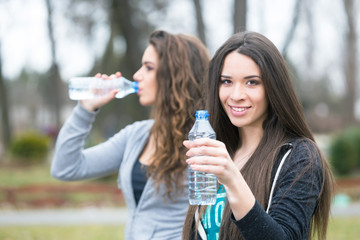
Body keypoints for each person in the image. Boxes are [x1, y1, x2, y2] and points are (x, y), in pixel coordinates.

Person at [51, 30, 210, 239]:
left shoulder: (203, 140)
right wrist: (85, 109)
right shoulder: (137, 135)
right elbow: (66, 168)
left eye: (149, 67)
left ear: (176, 75)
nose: (136, 75)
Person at [182, 31, 334, 240]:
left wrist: (233, 179)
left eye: (252, 82)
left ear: (273, 87)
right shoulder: (220, 150)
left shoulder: (299, 157)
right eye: (226, 81)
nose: (236, 95)